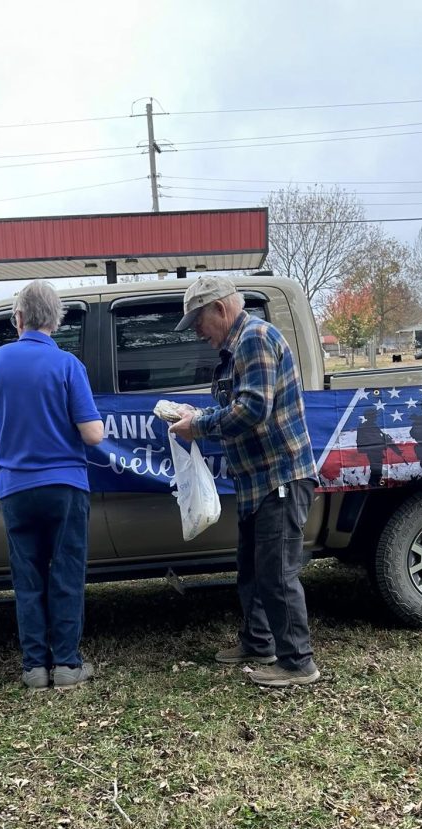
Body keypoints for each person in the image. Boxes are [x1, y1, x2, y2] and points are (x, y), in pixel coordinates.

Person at [167, 276, 320, 688]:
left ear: (219, 309)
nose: (197, 333)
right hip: (257, 482)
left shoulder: (254, 338)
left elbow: (253, 409)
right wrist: (195, 414)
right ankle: (258, 643)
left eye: (198, 322)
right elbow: (237, 405)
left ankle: (298, 663)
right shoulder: (237, 348)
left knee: (277, 574)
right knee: (253, 570)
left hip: (279, 477)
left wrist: (199, 426)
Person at [0, 280, 104, 690]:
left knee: (27, 576)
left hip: (15, 486)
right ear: (56, 320)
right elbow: (92, 434)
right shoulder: (68, 365)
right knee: (65, 573)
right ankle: (67, 665)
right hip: (65, 485)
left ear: (18, 318)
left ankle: (34, 667)